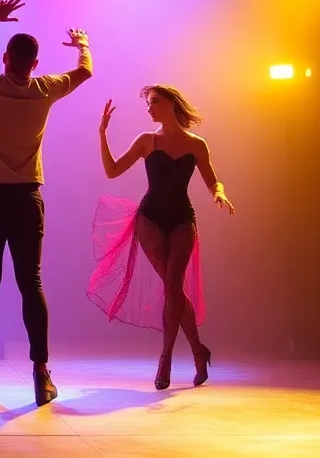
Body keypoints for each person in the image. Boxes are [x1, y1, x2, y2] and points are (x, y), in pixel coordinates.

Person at [0, 0, 92, 406]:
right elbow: (85, 70)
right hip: (27, 197)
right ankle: (42, 377)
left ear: (5, 59)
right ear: (35, 64)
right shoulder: (44, 89)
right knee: (31, 283)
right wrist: (83, 44)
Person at [87, 87, 234, 390]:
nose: (149, 107)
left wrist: (219, 194)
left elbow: (212, 181)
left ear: (172, 104)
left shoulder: (196, 144)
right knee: (173, 286)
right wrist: (102, 133)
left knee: (173, 285)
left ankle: (170, 356)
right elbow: (112, 171)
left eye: (155, 101)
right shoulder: (146, 140)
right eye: (148, 103)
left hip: (182, 219)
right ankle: (194, 352)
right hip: (150, 219)